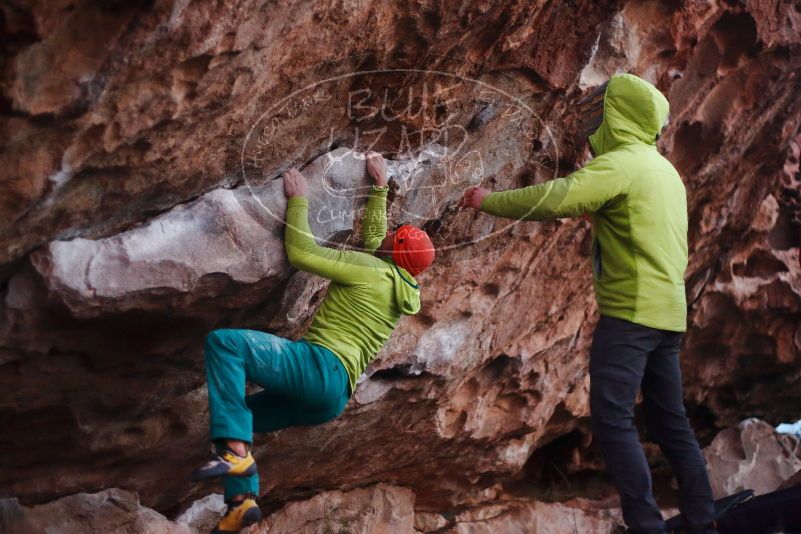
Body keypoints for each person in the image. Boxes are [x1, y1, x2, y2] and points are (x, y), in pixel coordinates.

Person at [459, 73, 717, 534]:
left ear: (615, 117)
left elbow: (556, 196)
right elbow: (641, 223)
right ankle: (704, 520)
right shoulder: (665, 172)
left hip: (631, 313)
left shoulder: (622, 163)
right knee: (670, 421)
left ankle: (646, 524)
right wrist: (599, 212)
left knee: (612, 419)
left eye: (603, 108)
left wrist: (489, 200)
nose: (594, 115)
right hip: (668, 314)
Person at [190, 152, 435, 533]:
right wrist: (379, 188)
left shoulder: (372, 270)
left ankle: (236, 463)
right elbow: (376, 242)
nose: (387, 234)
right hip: (332, 399)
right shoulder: (400, 286)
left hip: (319, 367)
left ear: (394, 250)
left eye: (394, 235)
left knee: (226, 344)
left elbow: (302, 254)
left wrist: (299, 199)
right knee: (235, 419)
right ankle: (241, 501)